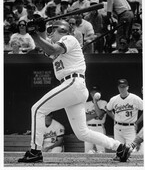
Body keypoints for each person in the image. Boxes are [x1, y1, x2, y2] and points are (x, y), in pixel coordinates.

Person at [18, 19, 131, 163]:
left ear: (63, 30)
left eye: (53, 30)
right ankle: (120, 147)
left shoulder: (68, 38)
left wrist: (34, 34)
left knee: (37, 109)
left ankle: (35, 151)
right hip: (75, 87)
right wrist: (37, 31)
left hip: (72, 83)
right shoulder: (56, 45)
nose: (50, 34)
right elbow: (47, 48)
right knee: (82, 133)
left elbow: (52, 49)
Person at [106, 79, 143, 160]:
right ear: (118, 88)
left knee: (131, 151)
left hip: (130, 127)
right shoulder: (114, 99)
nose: (122, 88)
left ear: (127, 87)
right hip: (118, 127)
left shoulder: (135, 98)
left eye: (124, 86)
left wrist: (137, 122)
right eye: (120, 87)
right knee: (119, 150)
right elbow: (108, 109)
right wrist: (114, 118)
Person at [84, 86, 107, 153]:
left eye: (95, 92)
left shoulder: (103, 102)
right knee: (88, 152)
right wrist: (96, 114)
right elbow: (85, 118)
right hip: (88, 128)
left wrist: (95, 102)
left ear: (99, 93)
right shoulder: (86, 104)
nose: (94, 94)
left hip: (99, 128)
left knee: (101, 151)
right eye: (92, 92)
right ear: (90, 93)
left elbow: (100, 114)